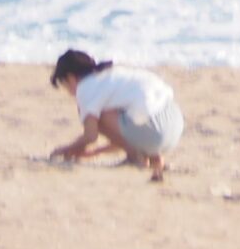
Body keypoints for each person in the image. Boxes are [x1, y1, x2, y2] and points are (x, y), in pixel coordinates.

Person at [48, 49, 183, 180]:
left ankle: (135, 158)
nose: (69, 92)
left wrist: (66, 150)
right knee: (127, 113)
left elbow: (90, 136)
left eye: (64, 85)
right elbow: (125, 136)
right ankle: (154, 157)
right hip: (174, 123)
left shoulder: (85, 88)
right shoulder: (111, 75)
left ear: (71, 78)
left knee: (98, 117)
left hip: (154, 131)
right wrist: (94, 153)